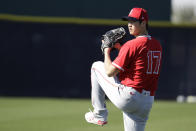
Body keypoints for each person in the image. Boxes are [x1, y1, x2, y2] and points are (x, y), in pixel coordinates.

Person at [85, 7, 162, 131]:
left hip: (130, 97)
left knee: (96, 66)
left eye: (133, 21)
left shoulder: (132, 45)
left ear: (143, 23)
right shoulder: (156, 44)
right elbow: (137, 64)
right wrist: (121, 48)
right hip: (147, 102)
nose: (129, 25)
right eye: (128, 21)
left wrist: (106, 50)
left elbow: (110, 72)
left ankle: (99, 114)